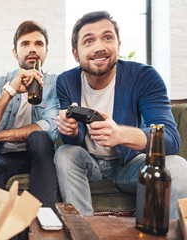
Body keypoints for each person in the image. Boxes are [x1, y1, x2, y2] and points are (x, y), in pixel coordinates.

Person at [55, 11, 187, 218]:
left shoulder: (144, 77)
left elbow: (170, 138)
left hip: (129, 165)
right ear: (75, 54)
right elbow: (74, 138)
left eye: (107, 38)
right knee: (65, 153)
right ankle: (83, 231)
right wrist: (69, 130)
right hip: (88, 163)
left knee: (177, 167)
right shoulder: (66, 81)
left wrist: (121, 134)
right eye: (89, 41)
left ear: (118, 45)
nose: (100, 47)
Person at [0, 20, 59, 209]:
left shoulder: (57, 84)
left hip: (39, 155)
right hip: (3, 156)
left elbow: (49, 128)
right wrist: (9, 91)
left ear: (46, 52)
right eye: (25, 44)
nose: (32, 49)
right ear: (15, 52)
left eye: (39, 44)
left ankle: (42, 223)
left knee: (40, 138)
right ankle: (7, 232)